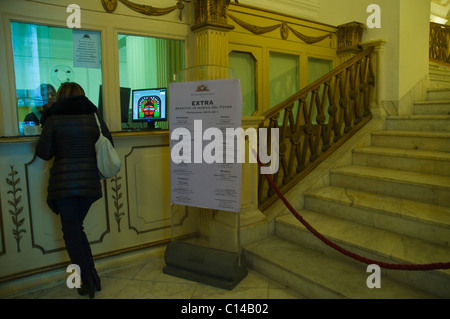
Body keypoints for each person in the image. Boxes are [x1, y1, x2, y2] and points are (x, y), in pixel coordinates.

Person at [35, 82, 114, 298]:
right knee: (76, 230)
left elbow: (44, 153)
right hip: (89, 185)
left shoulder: (53, 117)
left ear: (60, 97)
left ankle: (85, 282)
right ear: (81, 95)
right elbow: (109, 144)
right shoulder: (93, 116)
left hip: (64, 185)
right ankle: (93, 277)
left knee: (71, 232)